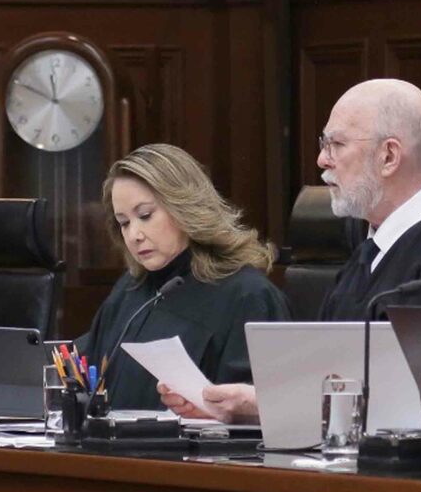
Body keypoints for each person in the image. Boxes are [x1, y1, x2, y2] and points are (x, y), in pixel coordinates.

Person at [164, 78, 421, 422]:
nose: (322, 160)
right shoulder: (367, 255)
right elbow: (328, 381)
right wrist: (241, 409)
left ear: (388, 156)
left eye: (336, 144)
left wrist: (264, 403)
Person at [73, 143, 290, 413]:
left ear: (184, 208)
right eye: (124, 222)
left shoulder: (248, 295)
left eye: (145, 216)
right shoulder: (130, 289)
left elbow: (277, 411)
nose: (134, 235)